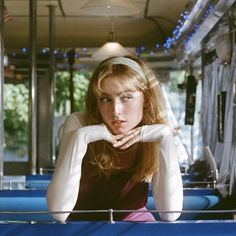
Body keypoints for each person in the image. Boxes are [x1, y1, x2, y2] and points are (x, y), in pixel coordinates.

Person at [46, 55, 183, 222]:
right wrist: (81, 138)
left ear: (146, 99)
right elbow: (58, 212)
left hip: (134, 225)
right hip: (79, 226)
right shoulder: (79, 124)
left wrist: (165, 137)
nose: (116, 110)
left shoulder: (154, 133)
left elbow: (170, 214)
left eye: (126, 97)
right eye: (105, 99)